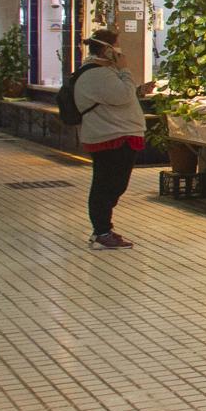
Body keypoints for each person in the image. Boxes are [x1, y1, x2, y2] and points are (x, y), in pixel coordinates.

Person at [75, 28, 154, 250]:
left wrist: (137, 90)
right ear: (108, 50)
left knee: (112, 184)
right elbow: (122, 95)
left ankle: (103, 229)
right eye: (117, 46)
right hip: (111, 138)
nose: (120, 52)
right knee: (107, 185)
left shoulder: (101, 73)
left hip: (116, 135)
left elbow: (119, 97)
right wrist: (126, 71)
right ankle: (101, 231)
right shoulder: (96, 74)